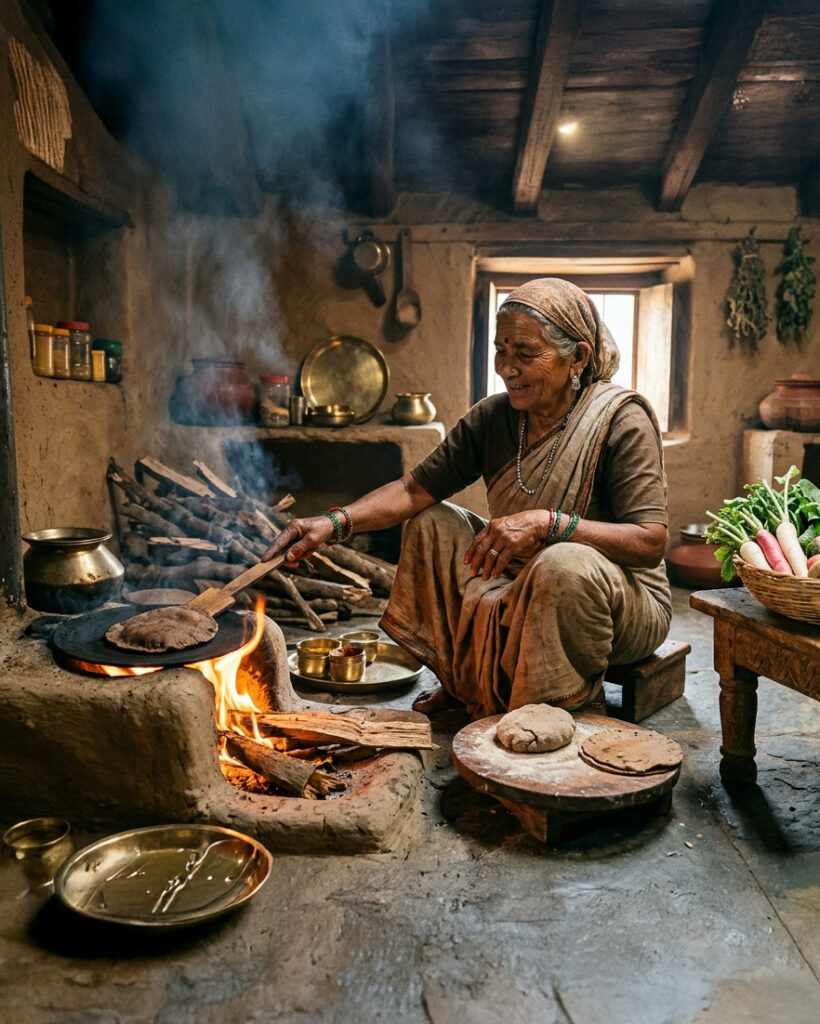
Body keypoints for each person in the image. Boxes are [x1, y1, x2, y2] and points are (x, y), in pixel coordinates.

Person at [263, 278, 671, 719]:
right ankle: (465, 685)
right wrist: (331, 523)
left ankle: (554, 713)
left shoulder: (620, 420)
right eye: (501, 350)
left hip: (620, 601)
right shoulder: (495, 416)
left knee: (561, 563)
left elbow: (650, 543)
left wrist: (550, 524)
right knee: (430, 522)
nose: (507, 368)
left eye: (526, 354)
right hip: (519, 580)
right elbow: (412, 490)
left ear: (579, 357)